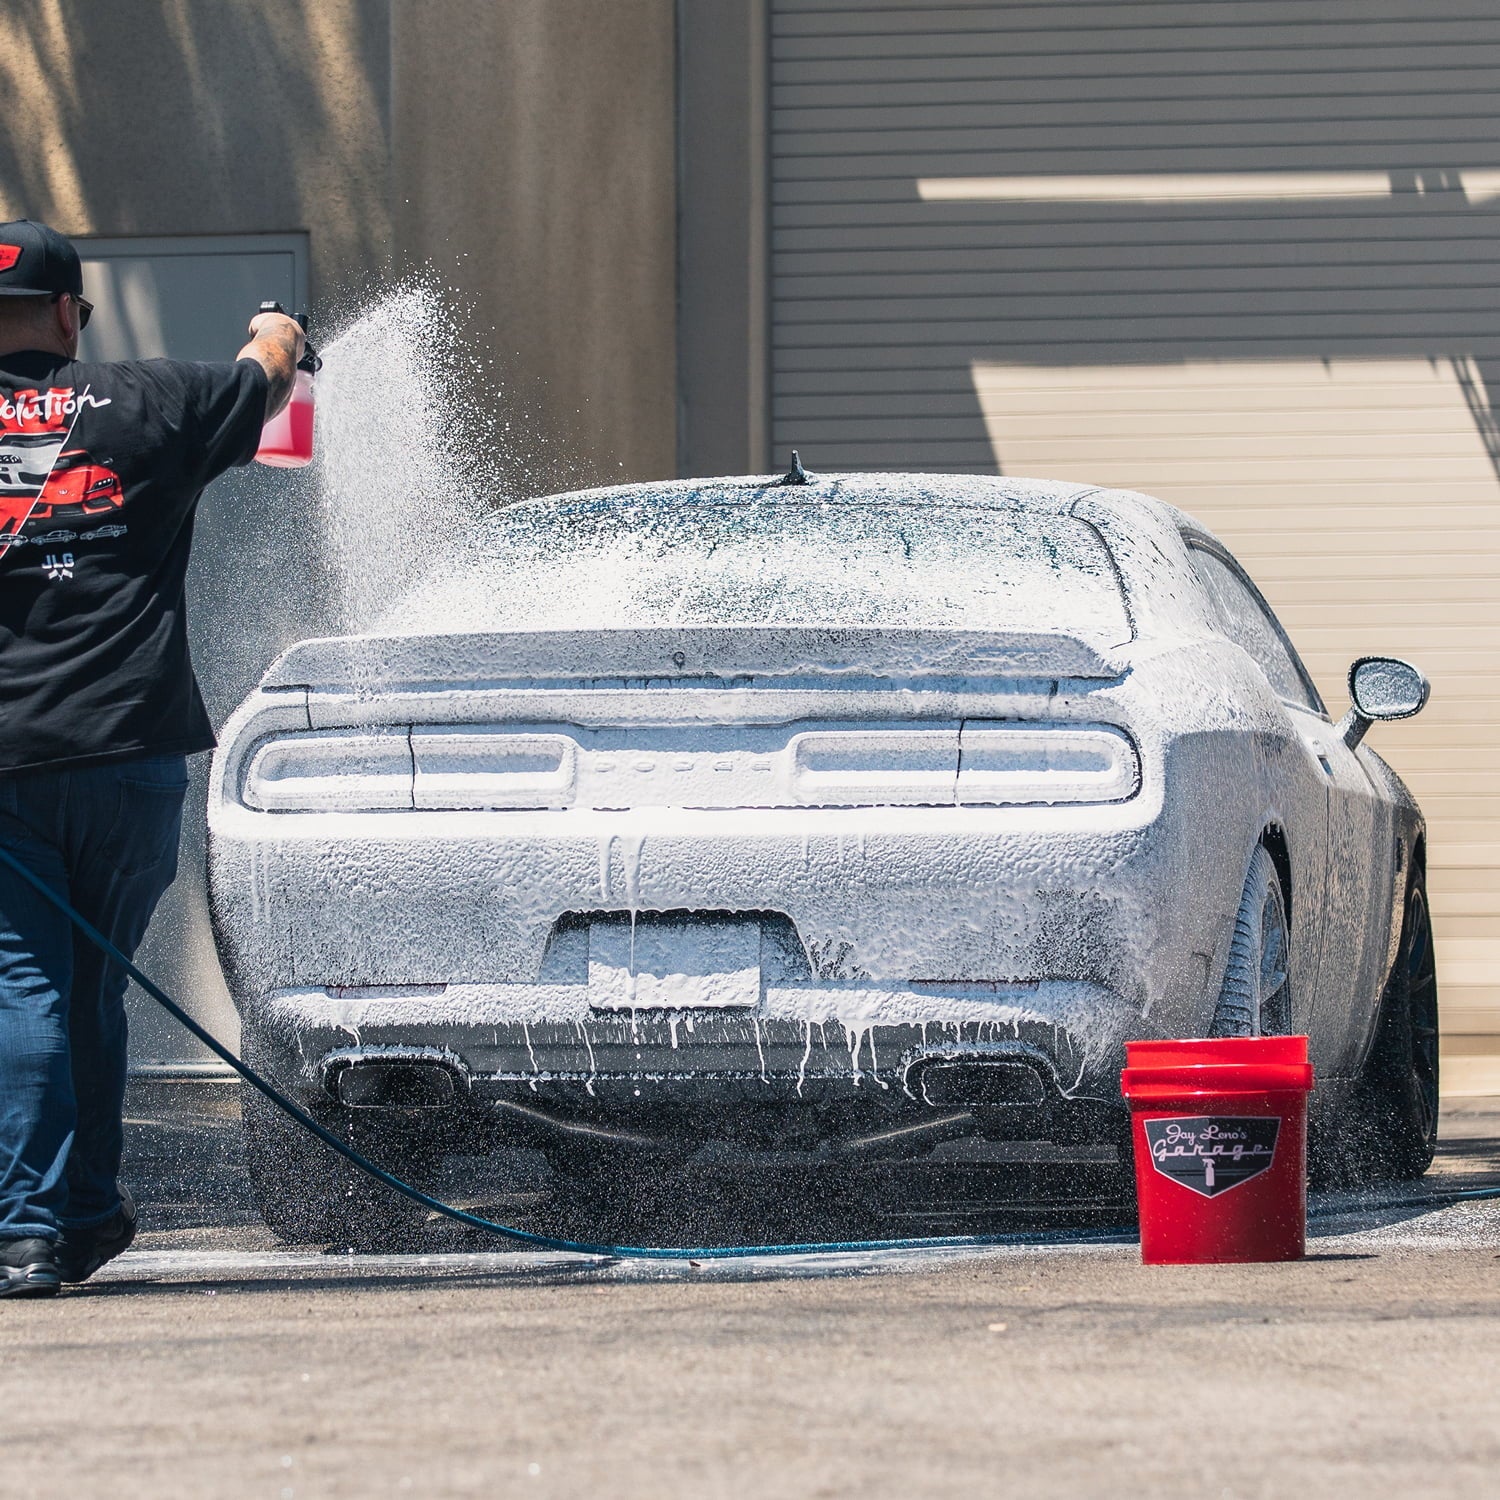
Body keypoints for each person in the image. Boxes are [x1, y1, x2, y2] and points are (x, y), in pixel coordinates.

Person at [0, 219, 303, 1297]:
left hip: (6, 764)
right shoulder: (145, 402)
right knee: (91, 987)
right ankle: (80, 1216)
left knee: (21, 979)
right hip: (127, 750)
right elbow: (261, 379)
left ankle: (30, 1227)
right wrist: (280, 329)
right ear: (70, 314)